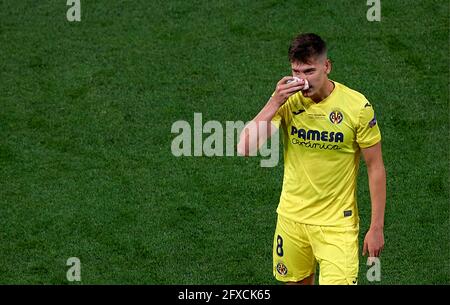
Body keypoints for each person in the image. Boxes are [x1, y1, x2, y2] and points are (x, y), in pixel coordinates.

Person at [237, 33, 386, 285]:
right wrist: (275, 101)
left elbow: (375, 167)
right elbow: (245, 148)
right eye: (296, 72)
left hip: (337, 226)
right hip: (291, 220)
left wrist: (376, 227)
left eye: (309, 71)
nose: (302, 81)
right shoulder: (286, 100)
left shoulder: (357, 107)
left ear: (326, 66)